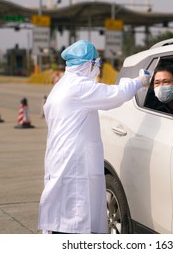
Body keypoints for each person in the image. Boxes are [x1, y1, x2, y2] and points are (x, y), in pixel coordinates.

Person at [38, 40, 150, 234]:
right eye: (95, 63)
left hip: (61, 159)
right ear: (87, 64)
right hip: (73, 163)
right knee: (74, 217)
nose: (97, 67)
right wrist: (140, 81)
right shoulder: (79, 87)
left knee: (63, 215)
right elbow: (116, 94)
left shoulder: (61, 86)